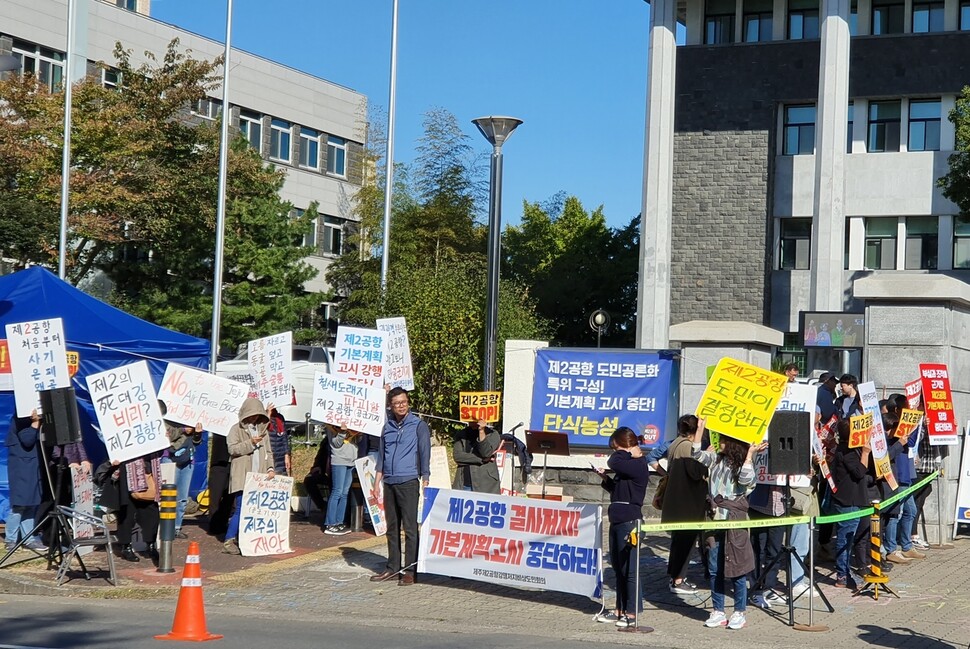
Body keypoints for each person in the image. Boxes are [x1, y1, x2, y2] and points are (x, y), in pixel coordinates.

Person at [692, 420, 762, 630]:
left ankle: (739, 611)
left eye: (723, 439)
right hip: (714, 519)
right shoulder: (715, 459)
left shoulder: (742, 464)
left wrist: (750, 455)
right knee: (714, 568)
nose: (719, 442)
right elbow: (696, 453)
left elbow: (746, 480)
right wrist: (700, 428)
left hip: (734, 521)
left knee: (738, 568)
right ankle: (718, 610)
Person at [370, 387, 431, 586]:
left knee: (411, 528)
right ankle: (393, 567)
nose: (401, 406)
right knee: (392, 527)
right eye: (397, 403)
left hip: (409, 481)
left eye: (404, 402)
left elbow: (424, 452)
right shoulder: (387, 427)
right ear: (391, 406)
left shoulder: (418, 425)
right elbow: (382, 456)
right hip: (389, 482)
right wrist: (377, 481)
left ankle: (410, 570)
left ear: (408, 402)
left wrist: (425, 478)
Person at [594, 427, 649, 628]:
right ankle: (619, 610)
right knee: (618, 568)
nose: (614, 452)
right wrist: (606, 480)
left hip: (630, 521)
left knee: (630, 570)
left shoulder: (638, 464)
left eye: (616, 447)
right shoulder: (626, 465)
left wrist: (626, 451)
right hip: (617, 518)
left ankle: (632, 613)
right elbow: (619, 491)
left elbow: (614, 461)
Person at [660, 414, 708, 595]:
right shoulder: (688, 447)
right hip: (687, 503)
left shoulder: (676, 443)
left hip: (676, 502)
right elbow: (695, 473)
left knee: (678, 542)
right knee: (686, 543)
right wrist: (707, 456)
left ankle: (675, 577)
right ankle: (678, 580)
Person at [223, 398, 275, 555]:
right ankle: (228, 540)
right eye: (251, 415)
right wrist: (250, 443)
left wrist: (271, 468)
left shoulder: (262, 431)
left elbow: (268, 452)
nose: (254, 418)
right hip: (242, 476)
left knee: (255, 510)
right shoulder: (235, 429)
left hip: (258, 477)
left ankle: (248, 539)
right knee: (241, 508)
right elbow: (232, 449)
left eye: (257, 415)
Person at [829, 418, 871, 589]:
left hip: (850, 499)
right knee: (845, 538)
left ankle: (844, 572)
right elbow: (860, 472)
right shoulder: (846, 452)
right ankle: (842, 575)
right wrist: (866, 453)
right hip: (848, 501)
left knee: (847, 537)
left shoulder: (850, 449)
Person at [99, 452, 162, 563]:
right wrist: (112, 462)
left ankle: (151, 545)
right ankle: (126, 546)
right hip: (125, 471)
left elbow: (160, 448)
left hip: (146, 469)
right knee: (126, 513)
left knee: (151, 512)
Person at [159, 401, 203, 540]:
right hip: (170, 457)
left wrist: (197, 434)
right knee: (167, 496)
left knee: (182, 497)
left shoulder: (191, 418)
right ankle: (164, 528)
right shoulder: (165, 417)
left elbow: (196, 442)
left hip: (188, 459)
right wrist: (184, 430)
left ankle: (176, 527)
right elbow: (167, 435)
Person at [4, 412, 47, 551]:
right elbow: (27, 439)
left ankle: (29, 538)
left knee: (31, 504)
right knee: (19, 505)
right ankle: (10, 539)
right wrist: (35, 423)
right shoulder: (22, 417)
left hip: (32, 465)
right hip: (22, 466)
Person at [324, 424, 359, 535]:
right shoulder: (331, 425)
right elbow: (336, 444)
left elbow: (356, 441)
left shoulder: (353, 424)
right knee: (337, 491)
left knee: (344, 493)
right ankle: (330, 523)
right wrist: (343, 432)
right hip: (339, 461)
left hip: (351, 461)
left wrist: (358, 433)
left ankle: (339, 521)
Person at [452, 420, 501, 494]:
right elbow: (457, 457)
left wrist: (481, 431)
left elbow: (486, 453)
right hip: (463, 484)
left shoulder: (493, 434)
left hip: (486, 485)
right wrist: (482, 459)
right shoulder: (461, 434)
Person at [302, 441, 331, 515]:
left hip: (337, 472)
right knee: (309, 480)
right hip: (324, 472)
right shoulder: (326, 442)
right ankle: (323, 506)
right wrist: (317, 466)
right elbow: (320, 457)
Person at [267, 405, 291, 477]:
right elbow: (263, 429)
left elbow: (284, 437)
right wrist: (268, 415)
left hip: (280, 454)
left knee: (281, 478)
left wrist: (286, 455)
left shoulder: (279, 417)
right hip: (269, 454)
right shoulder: (262, 418)